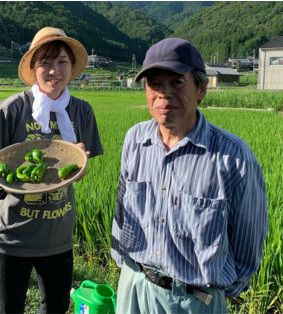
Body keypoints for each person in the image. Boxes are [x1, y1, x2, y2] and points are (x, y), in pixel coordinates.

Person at [110, 38, 269, 314]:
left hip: (193, 302)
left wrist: (205, 295)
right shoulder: (134, 139)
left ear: (201, 89)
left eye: (177, 82)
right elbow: (122, 212)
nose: (163, 93)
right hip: (133, 287)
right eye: (154, 84)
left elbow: (248, 247)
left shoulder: (233, 157)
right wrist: (126, 270)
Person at [0, 27, 103, 314]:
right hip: (12, 235)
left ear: (72, 68)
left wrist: (80, 168)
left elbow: (80, 166)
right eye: (45, 62)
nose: (54, 71)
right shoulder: (11, 109)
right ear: (34, 67)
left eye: (62, 62)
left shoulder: (82, 111)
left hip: (57, 235)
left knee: (55, 310)